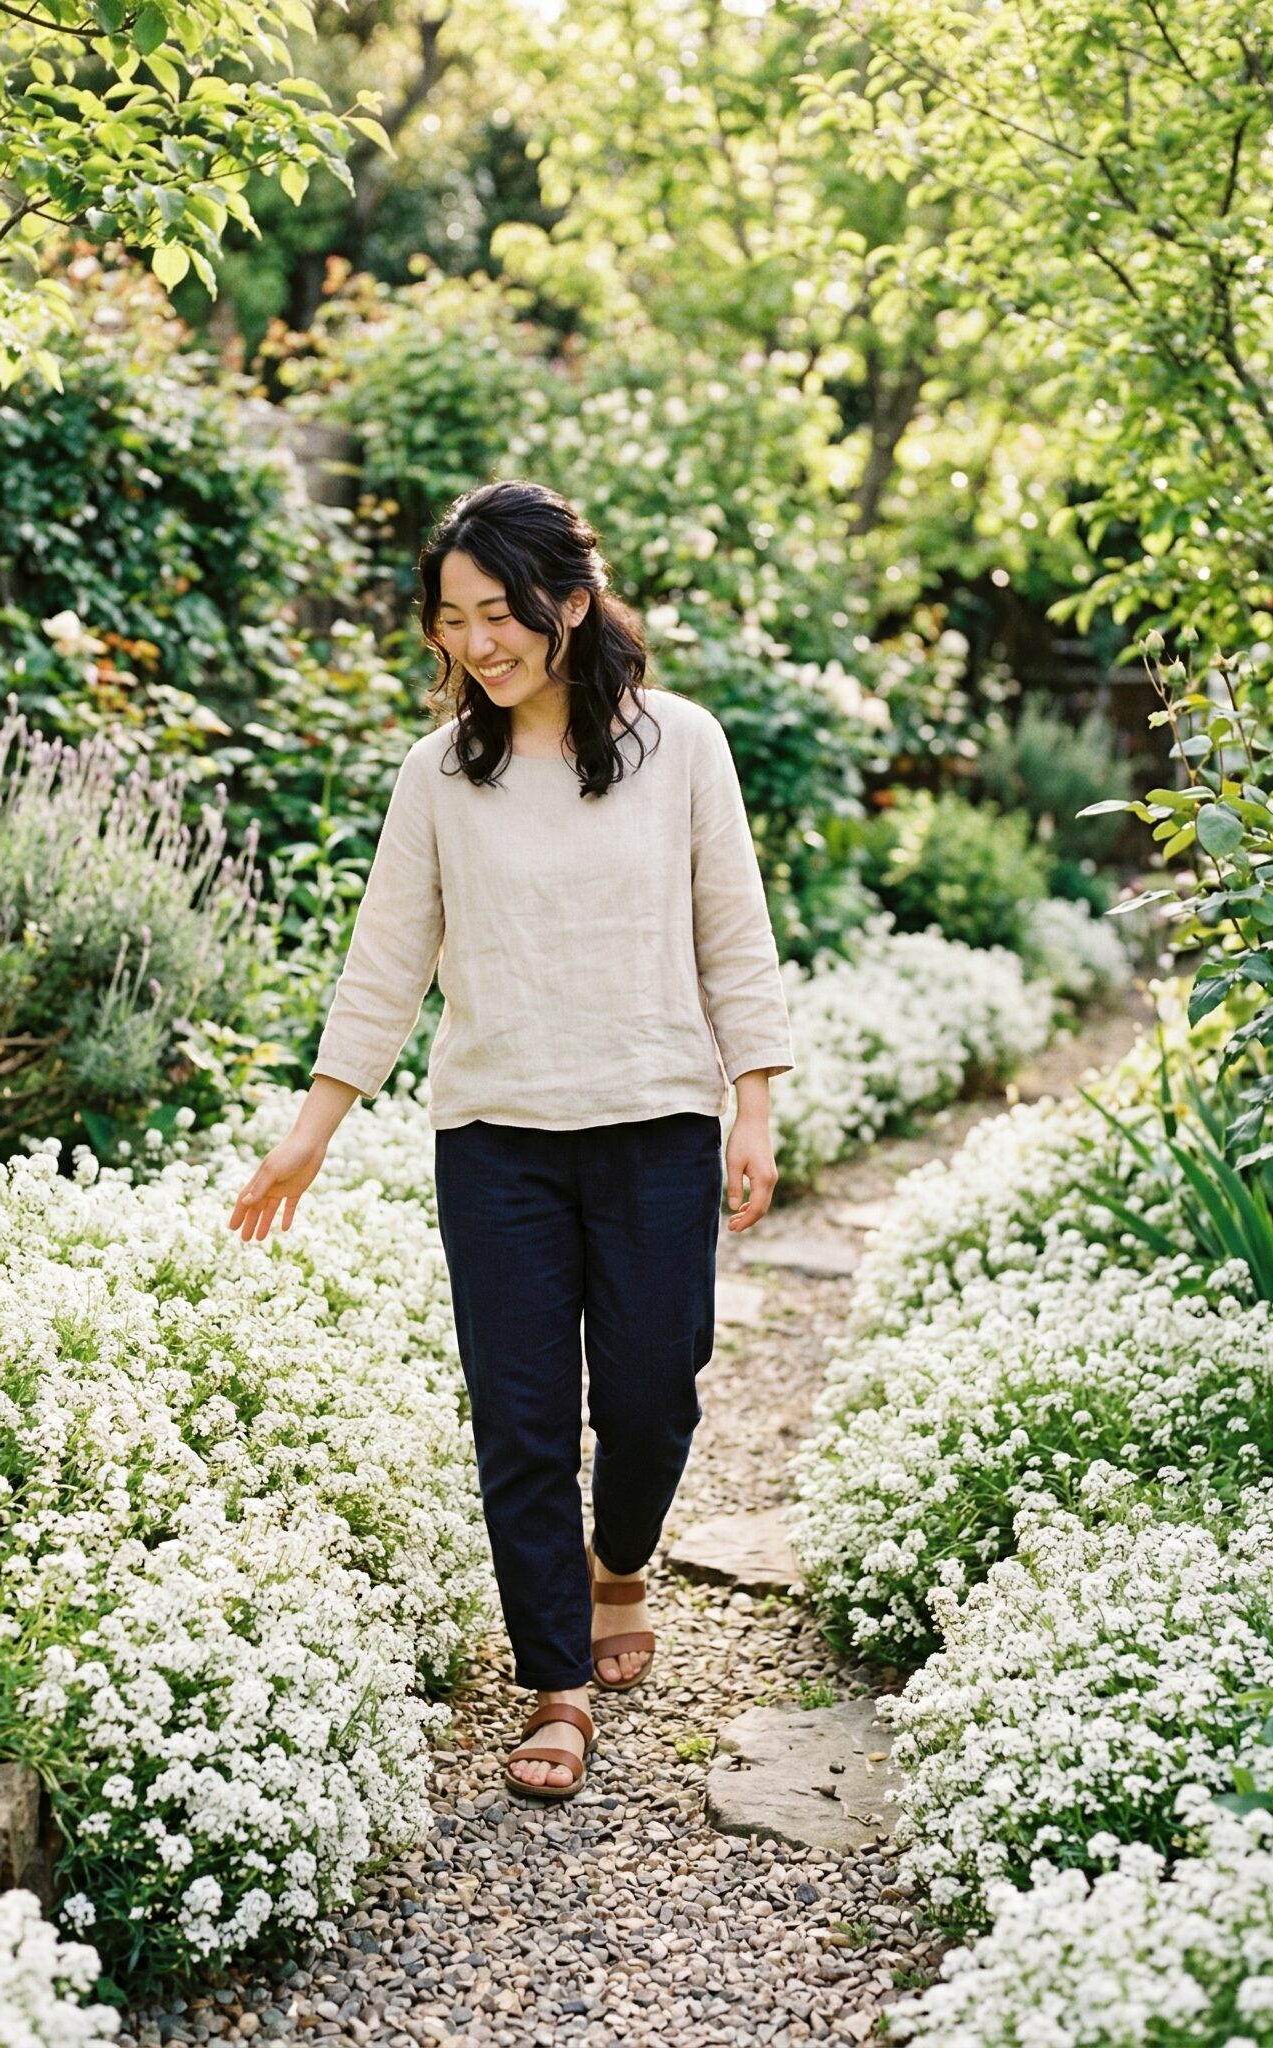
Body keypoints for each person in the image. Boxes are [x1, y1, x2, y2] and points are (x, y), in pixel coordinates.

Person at [225, 478, 793, 1801]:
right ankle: (556, 1680)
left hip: (657, 1122)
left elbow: (734, 932)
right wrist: (314, 1127)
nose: (478, 644)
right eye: (453, 620)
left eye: (502, 614)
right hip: (496, 1142)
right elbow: (384, 965)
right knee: (524, 1421)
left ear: (572, 606)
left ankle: (621, 1562)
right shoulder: (439, 776)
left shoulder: (682, 747)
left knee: (655, 1394)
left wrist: (753, 1098)